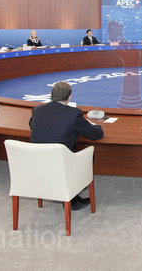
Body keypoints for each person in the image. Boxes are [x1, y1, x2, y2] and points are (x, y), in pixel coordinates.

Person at [30, 81, 104, 210]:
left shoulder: (37, 110)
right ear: (69, 97)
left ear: (51, 95)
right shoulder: (74, 114)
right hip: (61, 164)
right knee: (88, 153)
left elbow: (32, 125)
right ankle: (73, 196)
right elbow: (96, 135)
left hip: (37, 163)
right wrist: (97, 126)